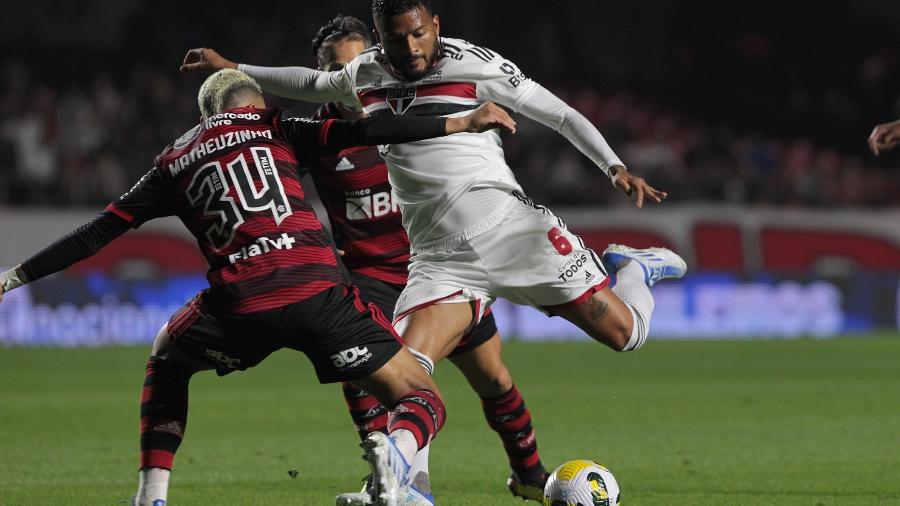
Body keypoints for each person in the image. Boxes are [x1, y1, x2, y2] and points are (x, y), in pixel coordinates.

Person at [181, 1, 687, 503]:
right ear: (382, 35)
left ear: (435, 26)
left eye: (419, 34)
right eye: (398, 38)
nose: (411, 47)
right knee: (405, 374)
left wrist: (614, 167)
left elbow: (557, 113)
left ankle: (631, 266)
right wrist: (235, 69)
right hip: (439, 260)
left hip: (511, 232)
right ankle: (405, 484)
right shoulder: (366, 74)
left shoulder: (476, 65)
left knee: (626, 335)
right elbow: (309, 84)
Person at [0, 69, 516, 506]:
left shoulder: (173, 160)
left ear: (207, 115)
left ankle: (151, 494)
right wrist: (460, 121)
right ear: (256, 102)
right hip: (318, 291)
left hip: (240, 305)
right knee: (423, 397)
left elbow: (96, 233)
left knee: (166, 356)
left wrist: (15, 276)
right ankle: (397, 454)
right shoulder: (276, 126)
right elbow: (371, 130)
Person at [299, 15, 550, 505]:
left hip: (438, 268)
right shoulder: (315, 136)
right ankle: (401, 486)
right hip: (371, 276)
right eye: (336, 68)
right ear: (324, 74)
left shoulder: (412, 113)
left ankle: (529, 474)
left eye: (355, 62)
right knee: (369, 374)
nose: (349, 77)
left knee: (494, 377)